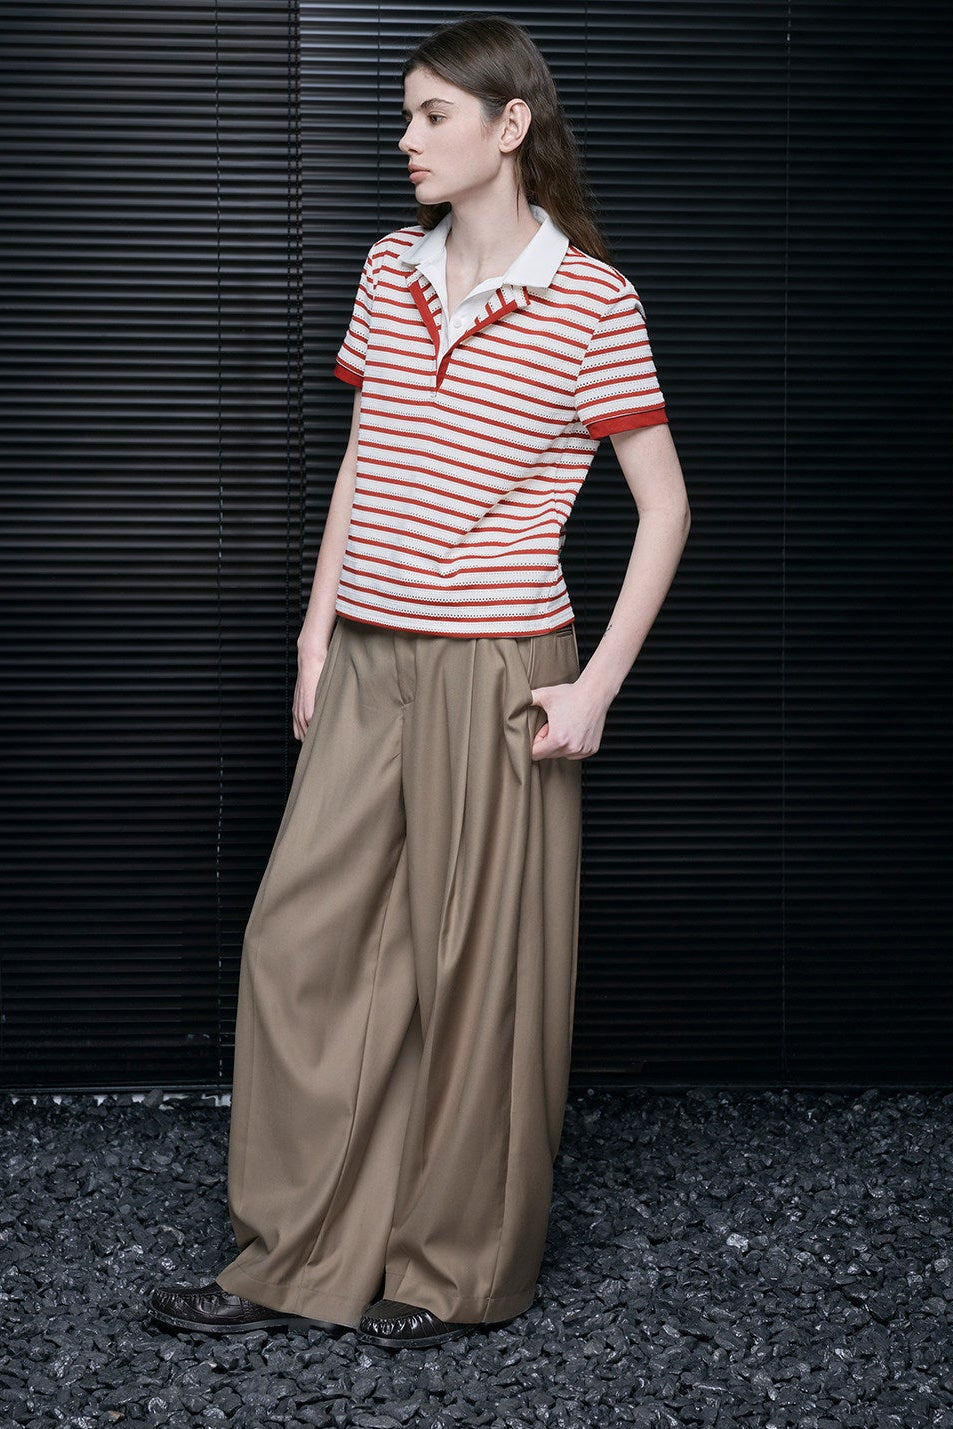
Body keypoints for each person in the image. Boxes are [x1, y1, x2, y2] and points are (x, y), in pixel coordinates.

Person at [147, 12, 690, 1350]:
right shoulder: (388, 267)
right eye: (405, 115)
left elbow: (666, 508)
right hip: (368, 657)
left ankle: (450, 1274)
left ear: (511, 125)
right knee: (299, 944)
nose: (406, 139)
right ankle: (292, 1256)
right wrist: (314, 633)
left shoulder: (593, 301)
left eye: (431, 115)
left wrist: (595, 689)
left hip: (501, 667)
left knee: (472, 975)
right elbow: (363, 454)